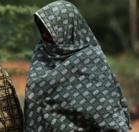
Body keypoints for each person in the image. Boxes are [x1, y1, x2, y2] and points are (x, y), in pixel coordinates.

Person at [24, 1, 131, 131]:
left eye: (50, 29)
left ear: (69, 27)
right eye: (43, 29)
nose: (45, 35)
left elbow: (108, 115)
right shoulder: (42, 55)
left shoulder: (91, 60)